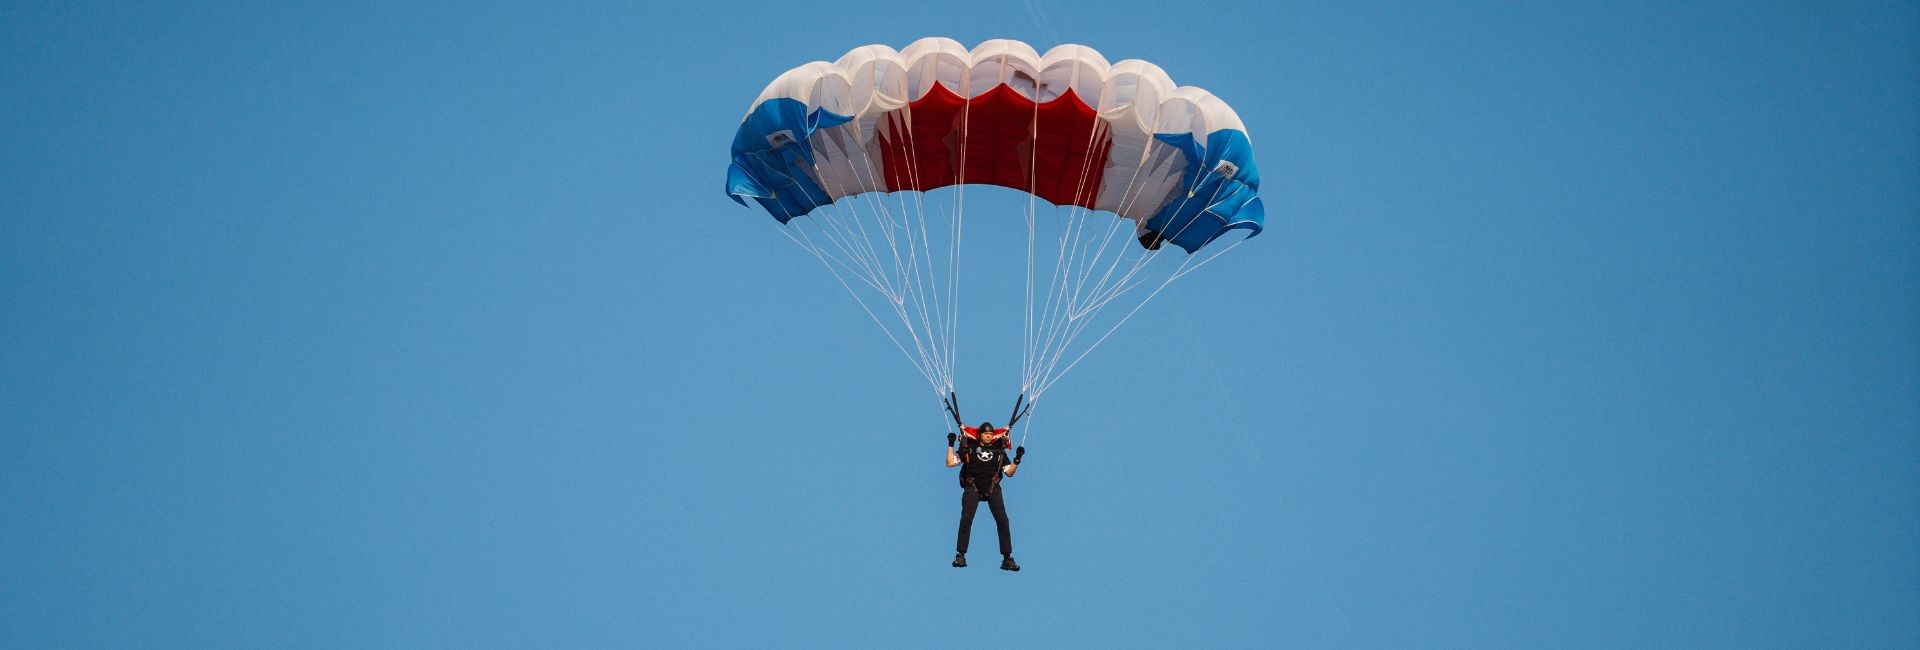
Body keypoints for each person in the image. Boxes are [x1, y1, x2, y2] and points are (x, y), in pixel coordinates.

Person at [947, 421, 1024, 571]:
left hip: (992, 488)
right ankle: (960, 555)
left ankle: (1007, 558)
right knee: (966, 518)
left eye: (990, 434)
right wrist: (951, 444)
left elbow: (1009, 472)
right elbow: (950, 462)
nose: (989, 436)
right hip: (973, 487)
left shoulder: (999, 451)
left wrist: (1017, 460)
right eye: (986, 434)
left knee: (1003, 520)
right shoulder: (969, 448)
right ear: (980, 435)